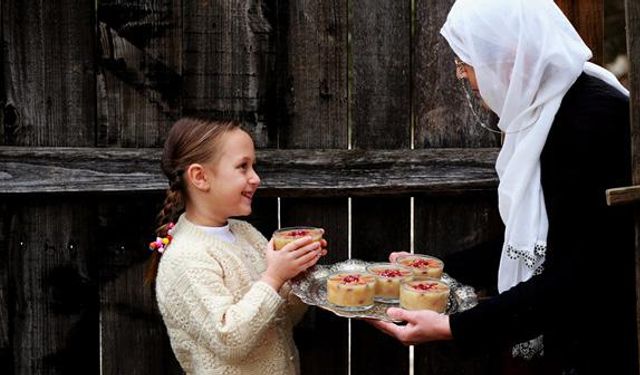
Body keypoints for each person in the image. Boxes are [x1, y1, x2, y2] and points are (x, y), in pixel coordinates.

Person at [370, 0, 637, 374]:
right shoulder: (548, 109)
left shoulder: (590, 120)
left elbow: (583, 271)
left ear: (508, 54)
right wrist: (434, 270)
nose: (463, 76)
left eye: (465, 62)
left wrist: (453, 327)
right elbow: (531, 245)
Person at [146, 118, 326, 374]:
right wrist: (274, 277)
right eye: (243, 167)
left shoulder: (246, 234)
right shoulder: (185, 258)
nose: (256, 178)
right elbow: (229, 340)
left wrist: (297, 276)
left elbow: (281, 320)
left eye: (254, 166)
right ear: (200, 176)